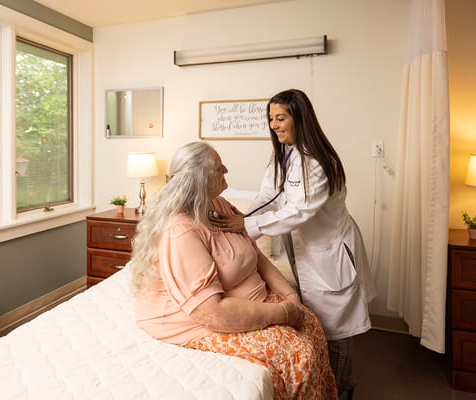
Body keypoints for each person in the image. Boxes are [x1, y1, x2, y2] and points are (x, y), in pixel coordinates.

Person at [130, 141, 337, 400]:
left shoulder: (219, 205)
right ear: (201, 179)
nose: (226, 169)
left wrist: (290, 297)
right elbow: (213, 313)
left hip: (247, 301)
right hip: (199, 321)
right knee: (298, 353)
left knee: (311, 324)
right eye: (219, 168)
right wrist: (283, 312)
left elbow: (257, 257)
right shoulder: (180, 231)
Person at [209, 89, 376, 400]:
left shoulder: (316, 161)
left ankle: (340, 390)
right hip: (307, 253)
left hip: (329, 254)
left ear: (300, 118)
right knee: (320, 325)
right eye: (271, 118)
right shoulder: (283, 154)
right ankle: (338, 385)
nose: (274, 124)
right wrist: (241, 221)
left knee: (336, 332)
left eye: (280, 117)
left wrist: (246, 226)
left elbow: (298, 210)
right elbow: (266, 197)